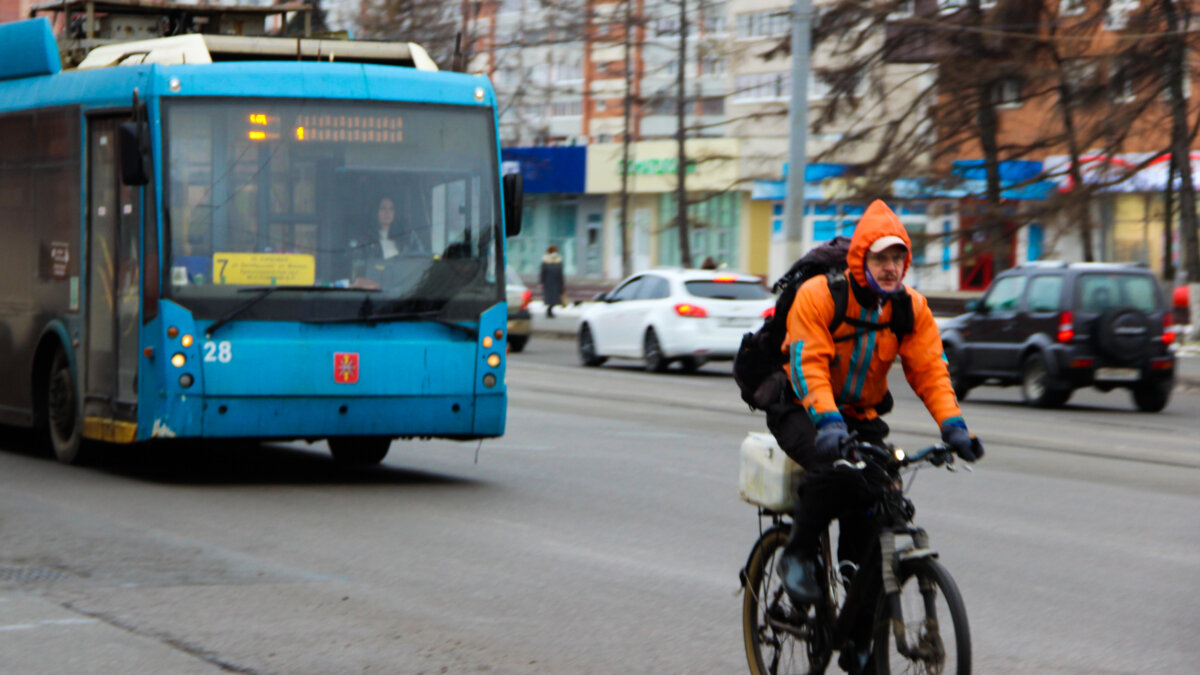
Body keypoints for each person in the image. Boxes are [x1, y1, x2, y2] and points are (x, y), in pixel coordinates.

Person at [770, 199, 984, 612]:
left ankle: (857, 609)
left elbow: (930, 371)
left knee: (882, 490)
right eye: (881, 257)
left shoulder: (910, 308)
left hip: (860, 415)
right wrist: (828, 421)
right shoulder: (821, 296)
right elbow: (806, 363)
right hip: (801, 407)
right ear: (860, 258)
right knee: (836, 469)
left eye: (898, 258)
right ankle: (797, 553)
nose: (890, 267)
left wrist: (954, 426)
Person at [540, 245, 565, 318]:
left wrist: (562, 283)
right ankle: (549, 311)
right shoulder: (545, 259)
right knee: (549, 297)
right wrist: (542, 281)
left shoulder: (558, 259)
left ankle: (550, 310)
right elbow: (543, 272)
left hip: (556, 282)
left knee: (555, 297)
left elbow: (560, 273)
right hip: (548, 282)